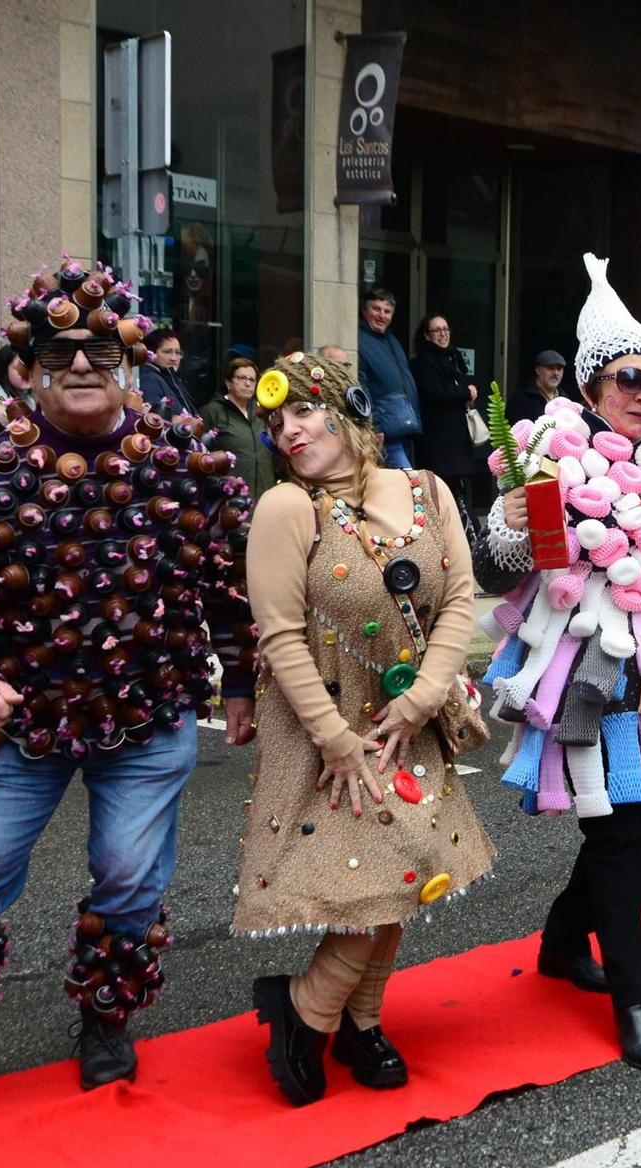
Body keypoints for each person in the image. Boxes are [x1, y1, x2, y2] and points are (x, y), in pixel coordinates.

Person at [0, 258, 257, 1107]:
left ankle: (107, 1013)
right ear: (26, 366)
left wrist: (243, 679)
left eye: (100, 351)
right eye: (58, 351)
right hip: (21, 720)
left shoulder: (187, 460)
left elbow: (235, 575)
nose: (80, 365)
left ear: (132, 362)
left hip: (148, 715)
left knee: (127, 871)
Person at [480, 253, 641, 1073]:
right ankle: (632, 1000)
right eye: (627, 378)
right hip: (583, 671)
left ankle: (559, 940)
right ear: (590, 388)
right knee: (618, 828)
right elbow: (503, 559)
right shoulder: (550, 455)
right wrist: (513, 519)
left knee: (636, 814)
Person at [238, 351, 493, 1105]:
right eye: (276, 422)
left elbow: (459, 598)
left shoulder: (426, 488)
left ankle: (350, 1017)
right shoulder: (286, 508)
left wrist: (422, 697)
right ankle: (313, 1010)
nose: (289, 431)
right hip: (330, 725)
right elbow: (278, 636)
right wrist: (336, 741)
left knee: (407, 871)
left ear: (348, 412)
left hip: (410, 715)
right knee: (380, 872)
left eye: (305, 411)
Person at [410, 312, 477, 509]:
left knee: (457, 492)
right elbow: (436, 393)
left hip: (455, 439)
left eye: (445, 329)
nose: (443, 334)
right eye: (437, 330)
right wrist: (465, 392)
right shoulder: (423, 363)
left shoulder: (452, 359)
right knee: (439, 491)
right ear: (426, 335)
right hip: (437, 440)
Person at [356, 287, 420, 470]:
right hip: (385, 432)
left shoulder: (392, 341)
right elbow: (363, 387)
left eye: (387, 311)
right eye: (376, 309)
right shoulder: (360, 340)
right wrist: (374, 426)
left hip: (403, 429)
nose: (381, 315)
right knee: (407, 481)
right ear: (365, 311)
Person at [201, 356, 273, 501]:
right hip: (230, 497)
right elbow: (201, 457)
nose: (247, 384)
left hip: (264, 494)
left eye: (252, 380)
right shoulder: (212, 412)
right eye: (241, 378)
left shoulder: (262, 412)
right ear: (229, 383)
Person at [136, 328, 195, 416]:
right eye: (167, 352)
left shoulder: (169, 378)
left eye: (178, 353)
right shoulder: (149, 379)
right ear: (151, 354)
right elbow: (155, 421)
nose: (174, 358)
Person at [508, 349, 566, 424]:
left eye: (559, 369)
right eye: (550, 368)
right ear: (538, 370)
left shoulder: (565, 399)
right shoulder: (520, 400)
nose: (556, 373)